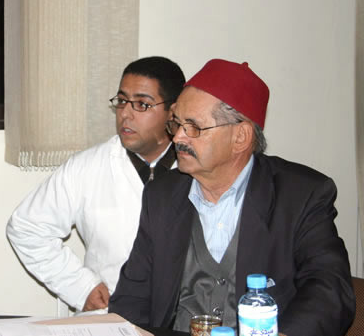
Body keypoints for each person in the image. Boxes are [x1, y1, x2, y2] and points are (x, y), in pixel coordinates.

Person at [109, 59, 355, 335]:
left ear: (240, 137)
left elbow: (329, 290)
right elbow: (132, 298)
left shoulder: (300, 195)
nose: (178, 138)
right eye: (176, 124)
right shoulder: (163, 194)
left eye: (193, 127)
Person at [6, 57, 185, 313]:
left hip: (182, 317)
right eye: (121, 101)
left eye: (142, 104)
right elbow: (26, 226)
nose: (125, 114)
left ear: (173, 111)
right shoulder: (87, 167)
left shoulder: (199, 168)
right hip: (110, 314)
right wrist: (80, 287)